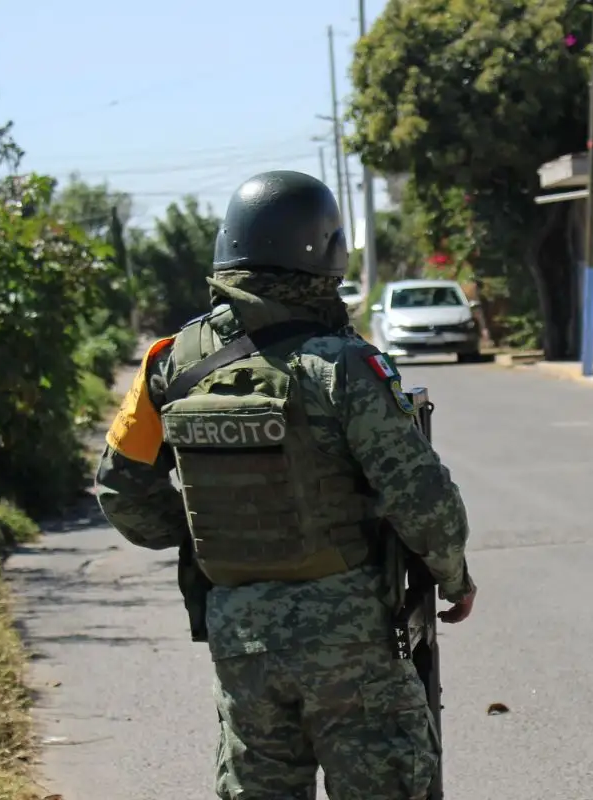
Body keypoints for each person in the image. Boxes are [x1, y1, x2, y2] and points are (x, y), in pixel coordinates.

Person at [95, 170, 476, 800]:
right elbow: (422, 499)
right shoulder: (344, 365)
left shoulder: (170, 362)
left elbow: (121, 492)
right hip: (351, 640)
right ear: (325, 253)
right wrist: (454, 578)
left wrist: (217, 535)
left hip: (239, 636)